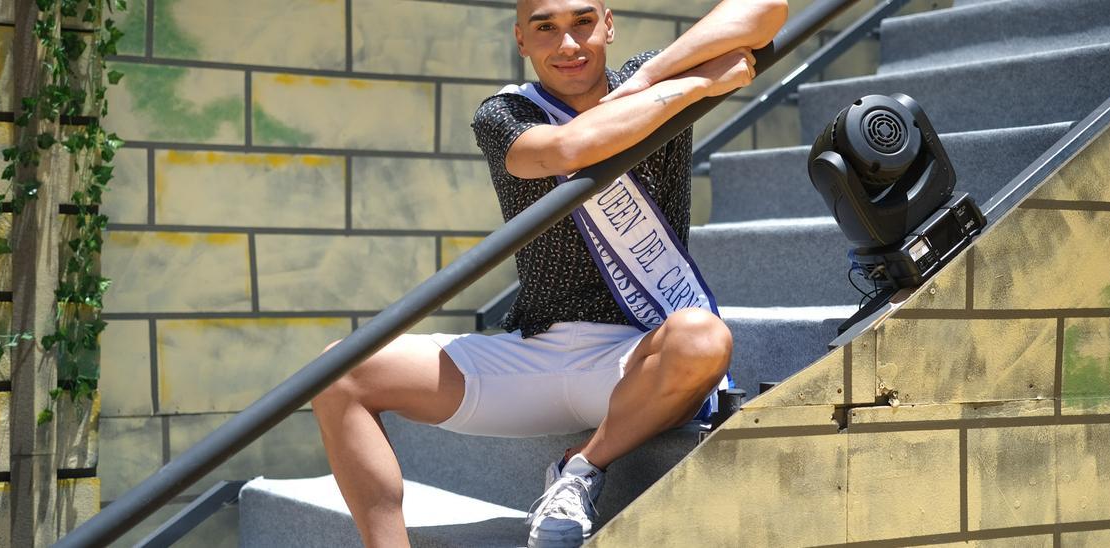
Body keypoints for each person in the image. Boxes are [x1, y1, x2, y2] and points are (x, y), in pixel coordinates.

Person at [311, 0, 787, 546]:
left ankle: (580, 469)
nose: (568, 44)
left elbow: (765, 9)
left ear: (609, 25)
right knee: (338, 372)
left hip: (633, 358)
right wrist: (691, 87)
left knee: (704, 337)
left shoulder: (644, 77)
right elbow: (568, 149)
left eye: (583, 22)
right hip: (534, 352)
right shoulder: (504, 114)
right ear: (522, 41)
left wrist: (654, 76)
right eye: (546, 29)